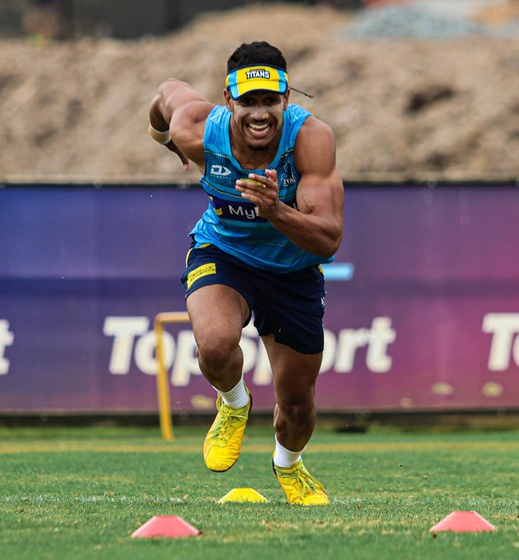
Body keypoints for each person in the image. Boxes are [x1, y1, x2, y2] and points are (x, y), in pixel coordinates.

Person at [148, 41, 344, 506]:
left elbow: (329, 239)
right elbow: (164, 95)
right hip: (224, 251)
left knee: (297, 405)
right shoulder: (197, 128)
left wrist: (276, 210)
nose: (260, 114)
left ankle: (288, 464)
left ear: (286, 100)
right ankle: (234, 404)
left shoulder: (311, 139)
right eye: (249, 102)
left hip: (293, 268)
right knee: (214, 343)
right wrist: (163, 139)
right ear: (229, 100)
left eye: (270, 102)